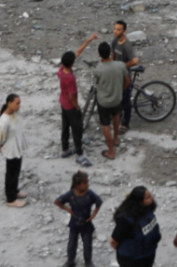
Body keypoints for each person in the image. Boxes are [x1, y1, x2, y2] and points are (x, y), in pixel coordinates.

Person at [58, 33, 99, 165]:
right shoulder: (70, 78)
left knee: (65, 127)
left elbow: (77, 53)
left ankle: (65, 149)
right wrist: (77, 107)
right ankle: (80, 154)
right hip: (71, 106)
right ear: (72, 64)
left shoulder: (61, 70)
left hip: (63, 103)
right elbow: (72, 96)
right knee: (77, 129)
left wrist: (89, 40)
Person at [55, 171, 104, 267]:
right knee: (72, 244)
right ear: (78, 185)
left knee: (87, 244)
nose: (87, 185)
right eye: (85, 183)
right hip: (74, 223)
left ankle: (88, 261)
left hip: (86, 223)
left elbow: (99, 202)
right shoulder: (70, 194)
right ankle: (70, 261)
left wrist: (93, 215)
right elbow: (57, 201)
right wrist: (68, 210)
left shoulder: (90, 194)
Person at [90, 43, 129, 160]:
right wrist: (121, 91)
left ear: (99, 55)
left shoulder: (98, 70)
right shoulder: (120, 65)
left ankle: (111, 151)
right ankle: (116, 138)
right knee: (116, 117)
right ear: (111, 53)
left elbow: (97, 83)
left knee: (106, 124)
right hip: (117, 99)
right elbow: (127, 81)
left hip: (104, 101)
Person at [110, 186, 163, 267]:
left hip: (148, 255)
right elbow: (113, 241)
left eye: (150, 195)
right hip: (132, 259)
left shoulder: (148, 209)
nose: (152, 198)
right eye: (148, 197)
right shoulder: (126, 219)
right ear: (140, 202)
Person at [0, 94, 28, 207]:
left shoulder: (14, 114)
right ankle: (10, 198)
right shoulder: (4, 120)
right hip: (11, 148)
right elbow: (0, 136)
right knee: (11, 173)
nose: (19, 106)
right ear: (9, 103)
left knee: (16, 171)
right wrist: (1, 145)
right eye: (17, 103)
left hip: (17, 146)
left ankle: (15, 191)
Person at [112, 20, 141, 131]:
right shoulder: (114, 41)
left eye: (118, 29)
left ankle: (126, 123)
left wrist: (122, 66)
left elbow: (134, 61)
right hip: (117, 76)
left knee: (126, 100)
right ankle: (118, 114)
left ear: (124, 31)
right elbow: (113, 56)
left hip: (125, 77)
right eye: (115, 28)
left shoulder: (126, 45)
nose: (115, 31)